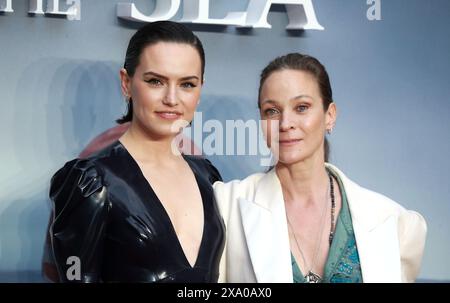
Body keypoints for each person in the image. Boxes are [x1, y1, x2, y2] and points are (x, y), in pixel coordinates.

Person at [214, 53, 427, 283]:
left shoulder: (392, 221)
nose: (285, 123)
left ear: (330, 116)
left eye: (302, 107)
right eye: (272, 111)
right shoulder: (227, 205)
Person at [47, 21, 224, 282]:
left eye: (187, 84)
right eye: (156, 81)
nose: (172, 99)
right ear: (127, 83)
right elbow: (75, 275)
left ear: (200, 90)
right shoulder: (92, 182)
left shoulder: (208, 177)